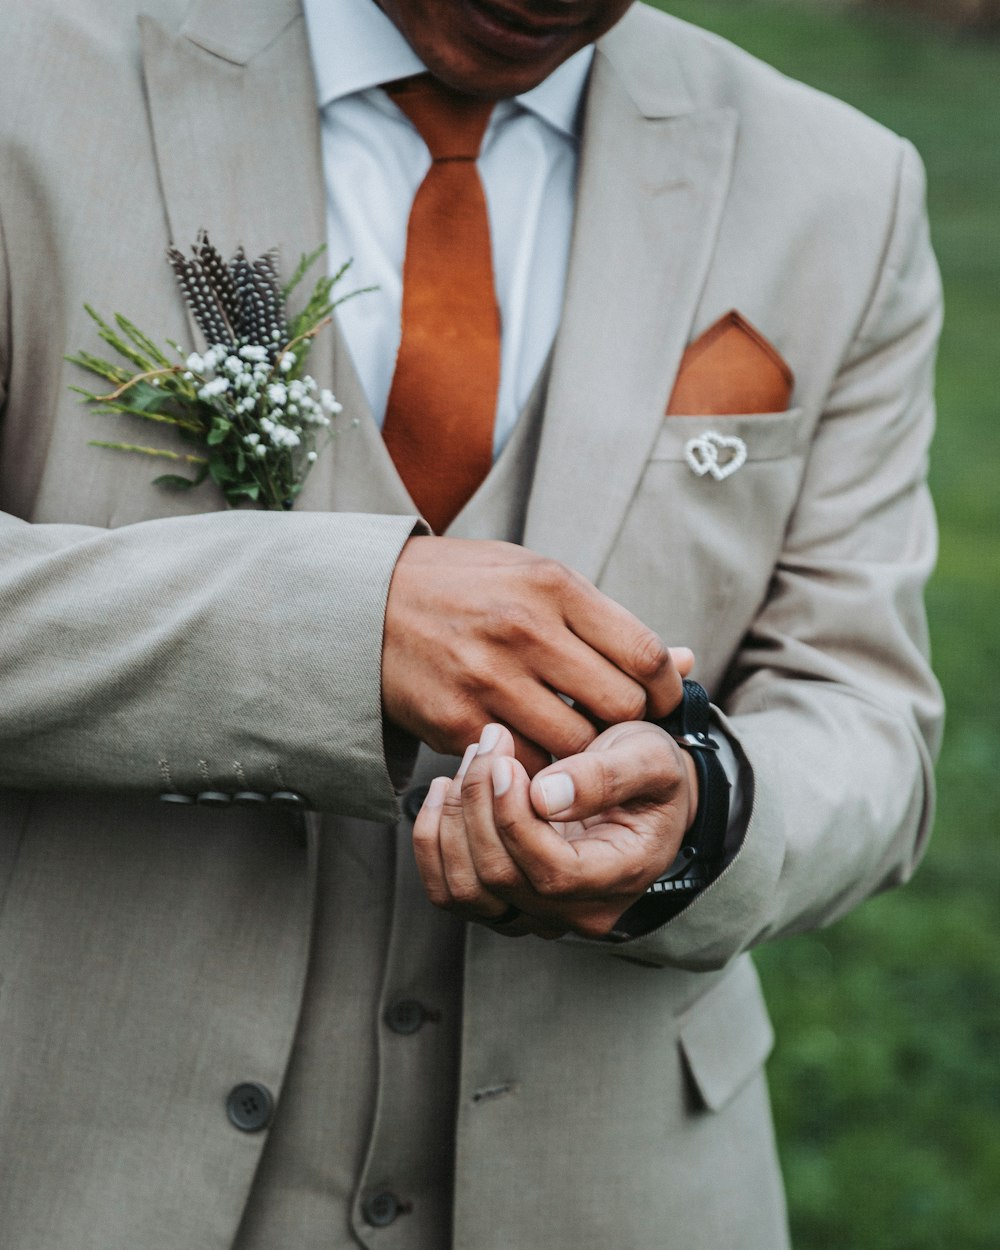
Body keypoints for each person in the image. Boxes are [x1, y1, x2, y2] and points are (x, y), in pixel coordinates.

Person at [0, 0, 942, 1245]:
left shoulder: (841, 184)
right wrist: (342, 622)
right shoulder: (29, 79)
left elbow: (867, 707)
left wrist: (699, 821)